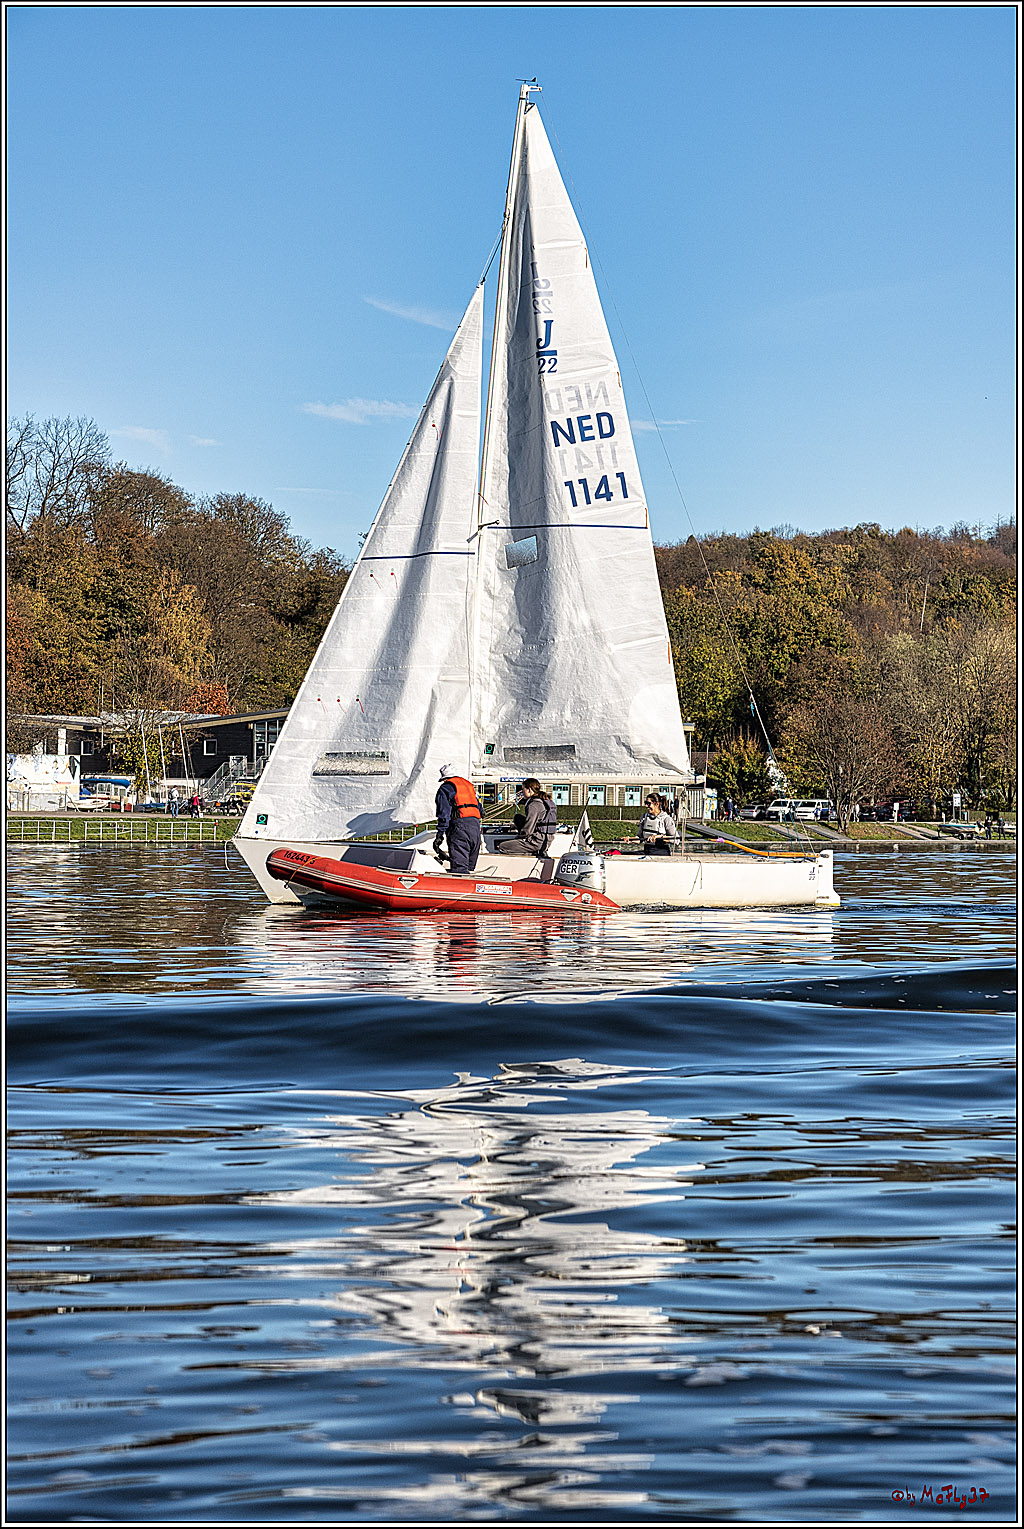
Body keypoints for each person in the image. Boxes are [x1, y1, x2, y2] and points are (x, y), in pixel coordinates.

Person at [433, 763, 482, 873]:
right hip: (475, 827)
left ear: (444, 778)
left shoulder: (446, 788)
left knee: (460, 868)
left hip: (460, 828)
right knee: (469, 866)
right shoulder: (468, 786)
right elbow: (480, 809)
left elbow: (444, 814)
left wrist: (440, 834)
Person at [495, 778, 557, 856]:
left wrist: (517, 839)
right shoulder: (544, 801)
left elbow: (528, 829)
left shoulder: (533, 805)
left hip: (536, 842)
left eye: (523, 789)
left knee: (502, 847)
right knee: (518, 818)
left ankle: (532, 854)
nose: (521, 792)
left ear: (529, 790)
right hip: (546, 840)